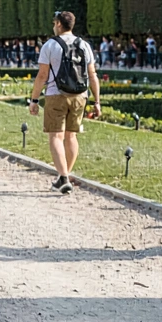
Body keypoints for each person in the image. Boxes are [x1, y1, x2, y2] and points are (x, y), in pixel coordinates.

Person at [28, 11, 100, 194]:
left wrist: (34, 99)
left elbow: (42, 75)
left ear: (59, 24)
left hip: (56, 93)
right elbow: (92, 75)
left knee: (55, 137)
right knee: (71, 136)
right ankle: (64, 176)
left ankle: (64, 177)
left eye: (55, 23)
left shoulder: (50, 45)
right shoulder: (84, 45)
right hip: (80, 95)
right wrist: (97, 101)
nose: (54, 26)